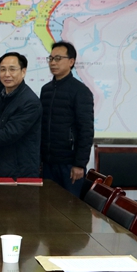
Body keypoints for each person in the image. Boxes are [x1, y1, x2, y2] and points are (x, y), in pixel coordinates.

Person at [40, 41, 94, 197]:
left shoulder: (80, 91)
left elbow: (86, 130)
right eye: (51, 58)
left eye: (58, 58)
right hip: (47, 163)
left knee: (69, 208)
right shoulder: (46, 90)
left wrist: (79, 164)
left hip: (69, 165)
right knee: (47, 206)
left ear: (71, 62)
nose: (53, 63)